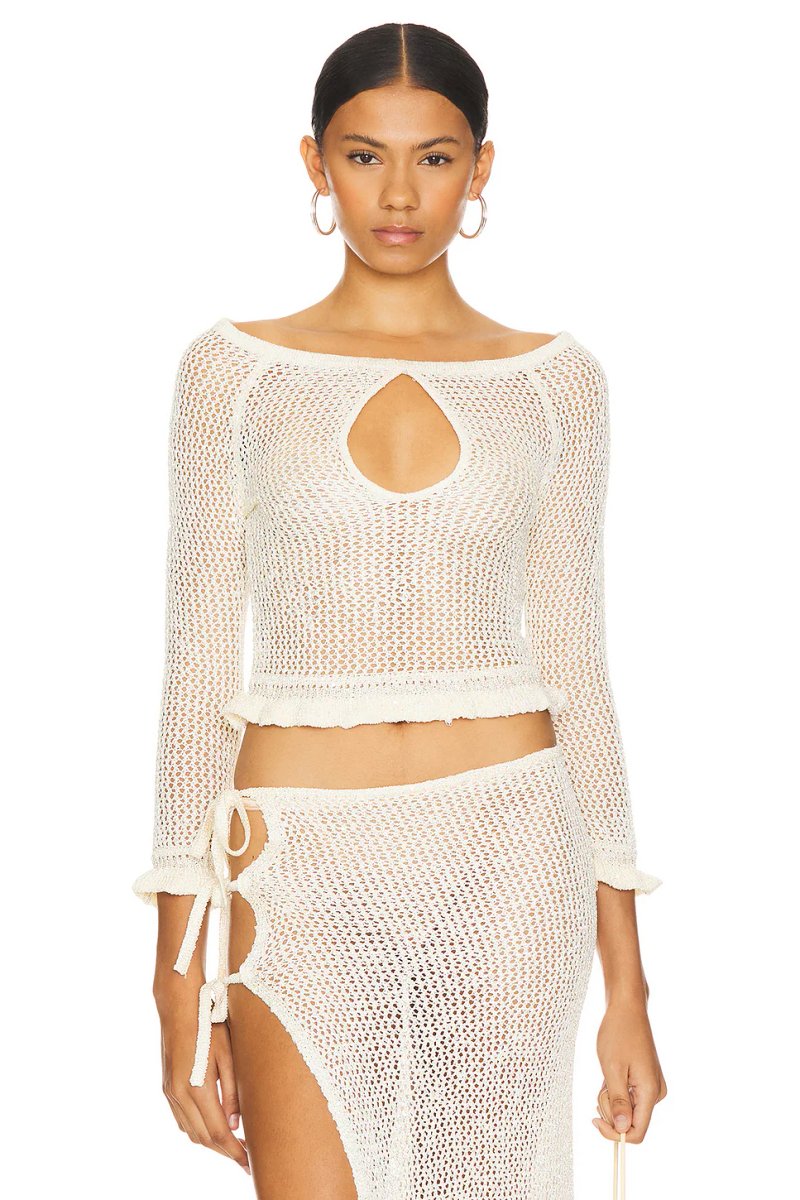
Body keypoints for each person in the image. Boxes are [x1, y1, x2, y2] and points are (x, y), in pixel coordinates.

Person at [132, 21, 667, 1199]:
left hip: (508, 857)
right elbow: (196, 668)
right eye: (363, 155)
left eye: (433, 157)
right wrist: (175, 980)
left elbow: (577, 665)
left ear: (480, 169)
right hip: (295, 864)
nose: (397, 194)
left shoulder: (553, 384)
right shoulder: (235, 375)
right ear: (314, 164)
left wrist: (627, 987)